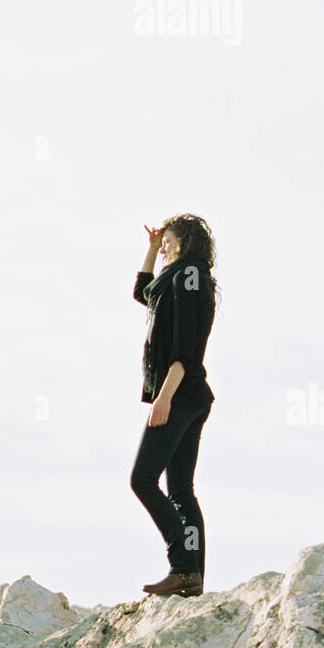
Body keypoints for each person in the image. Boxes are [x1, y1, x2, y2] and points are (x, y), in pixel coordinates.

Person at [130, 214, 218, 597]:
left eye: (167, 240)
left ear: (183, 242)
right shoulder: (181, 277)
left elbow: (186, 346)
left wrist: (164, 397)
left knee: (143, 480)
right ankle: (192, 575)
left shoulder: (189, 277)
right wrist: (150, 250)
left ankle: (183, 564)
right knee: (181, 490)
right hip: (193, 395)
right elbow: (142, 292)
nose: (163, 245)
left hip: (180, 394)